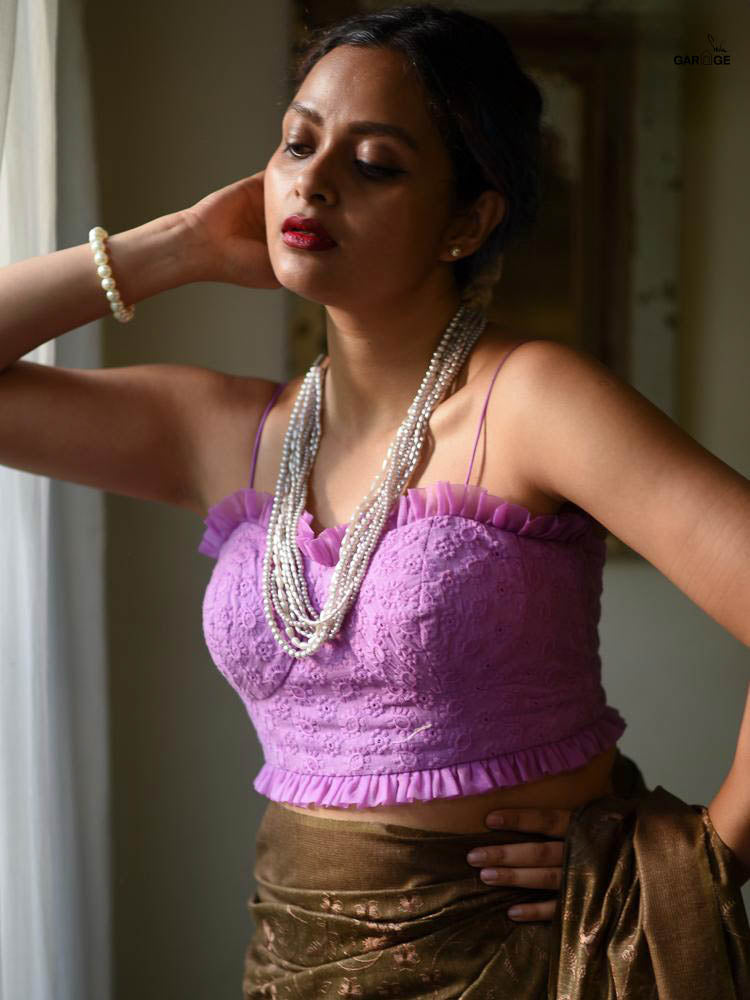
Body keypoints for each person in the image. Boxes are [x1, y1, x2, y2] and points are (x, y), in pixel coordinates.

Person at [1, 3, 749, 996]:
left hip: (534, 961)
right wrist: (173, 247)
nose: (313, 180)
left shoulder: (531, 400)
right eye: (297, 143)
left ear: (467, 221)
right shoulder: (235, 434)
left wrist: (707, 853)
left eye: (375, 163)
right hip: (295, 962)